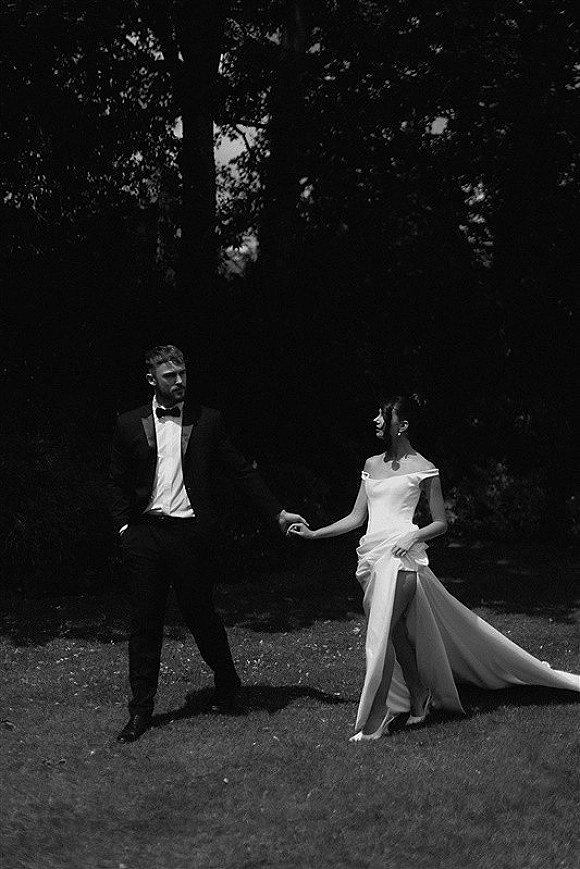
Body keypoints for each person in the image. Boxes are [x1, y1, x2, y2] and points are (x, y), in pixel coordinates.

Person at [289, 395, 580, 742]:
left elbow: (440, 523)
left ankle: (377, 717)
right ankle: (419, 694)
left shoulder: (425, 467)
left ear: (403, 425)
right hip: (370, 561)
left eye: (383, 417)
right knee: (393, 633)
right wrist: (315, 533)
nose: (376, 421)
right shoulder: (371, 463)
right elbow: (357, 517)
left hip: (402, 562)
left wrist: (412, 536)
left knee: (379, 637)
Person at [109, 345, 308, 743]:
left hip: (189, 535)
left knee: (200, 615)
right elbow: (115, 482)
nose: (180, 381)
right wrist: (124, 532)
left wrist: (277, 514)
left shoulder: (208, 421)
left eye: (183, 373)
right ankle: (141, 711)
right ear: (152, 380)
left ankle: (227, 682)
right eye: (170, 376)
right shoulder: (129, 424)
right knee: (144, 624)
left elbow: (240, 472)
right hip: (145, 535)